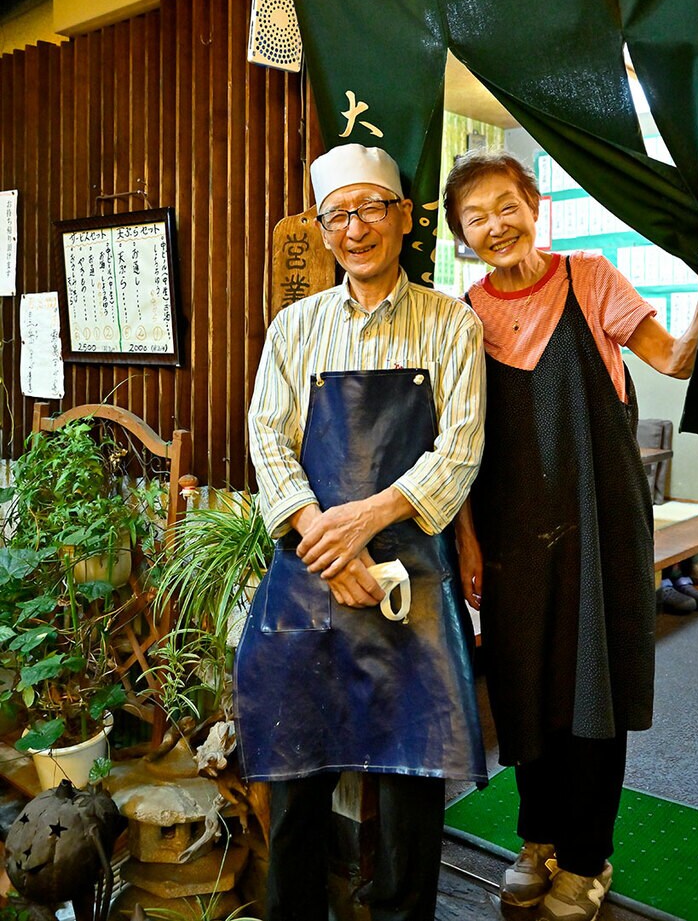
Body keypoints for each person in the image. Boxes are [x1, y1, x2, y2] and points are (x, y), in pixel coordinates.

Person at [442, 150, 698, 921]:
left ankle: (587, 859)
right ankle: (537, 841)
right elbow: (457, 443)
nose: (494, 225)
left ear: (534, 204)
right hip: (508, 533)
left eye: (505, 205)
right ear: (462, 233)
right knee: (524, 688)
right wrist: (466, 541)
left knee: (590, 689)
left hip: (598, 525)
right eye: (474, 217)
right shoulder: (464, 314)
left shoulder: (589, 278)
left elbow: (672, 357)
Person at [235, 143, 487, 921]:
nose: (354, 227)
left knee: (412, 781)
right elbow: (266, 436)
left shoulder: (451, 323)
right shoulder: (294, 326)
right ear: (323, 227)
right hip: (309, 578)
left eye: (369, 207)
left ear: (402, 218)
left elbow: (460, 445)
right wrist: (322, 536)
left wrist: (367, 522)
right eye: (337, 213)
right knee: (296, 773)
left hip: (409, 583)